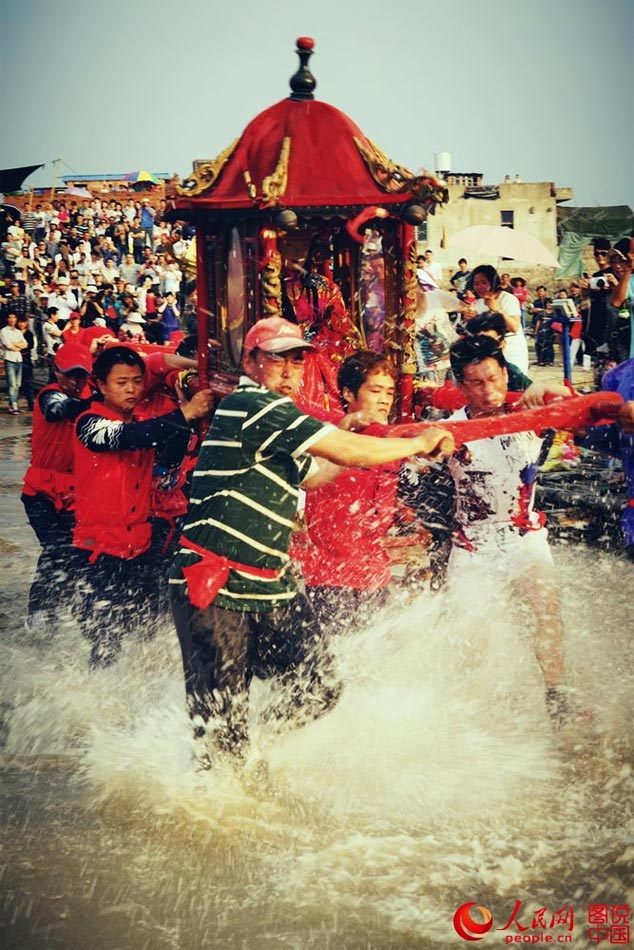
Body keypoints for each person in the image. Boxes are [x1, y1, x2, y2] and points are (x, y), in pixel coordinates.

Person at [169, 316, 454, 770]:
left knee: (319, 686)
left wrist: (352, 435)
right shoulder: (252, 404)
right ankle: (217, 790)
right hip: (216, 584)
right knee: (221, 728)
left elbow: (318, 473)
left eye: (297, 362)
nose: (289, 372)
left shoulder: (277, 422)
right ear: (251, 363)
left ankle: (258, 755)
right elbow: (346, 452)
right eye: (277, 360)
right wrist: (417, 442)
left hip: (269, 583)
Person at [444, 335, 578, 727]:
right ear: (460, 385)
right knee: (473, 641)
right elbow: (411, 476)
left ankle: (558, 699)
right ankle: (472, 722)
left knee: (548, 614)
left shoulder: (532, 414)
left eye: (493, 378)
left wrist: (547, 386)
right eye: (476, 382)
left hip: (525, 537)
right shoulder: (447, 431)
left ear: (506, 373)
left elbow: (577, 404)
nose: (488, 390)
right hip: (472, 543)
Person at [72, 346, 213, 668]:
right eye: (121, 383)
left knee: (145, 627)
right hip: (99, 550)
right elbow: (128, 437)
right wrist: (187, 412)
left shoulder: (142, 422)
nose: (131, 389)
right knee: (104, 639)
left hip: (139, 546)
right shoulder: (88, 423)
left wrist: (188, 412)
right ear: (100, 384)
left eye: (137, 381)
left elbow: (166, 446)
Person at [294, 351, 406, 635]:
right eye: (375, 391)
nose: (384, 400)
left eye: (389, 392)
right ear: (348, 393)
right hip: (331, 576)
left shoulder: (391, 442)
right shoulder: (327, 438)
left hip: (375, 574)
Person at [21, 342, 96, 630]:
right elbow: (57, 410)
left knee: (76, 553)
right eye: (69, 374)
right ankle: (39, 613)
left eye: (81, 375)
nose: (75, 381)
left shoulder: (91, 396)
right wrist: (99, 401)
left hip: (75, 495)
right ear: (56, 371)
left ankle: (59, 608)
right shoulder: (48, 395)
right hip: (40, 493)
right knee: (57, 550)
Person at [464, 264, 529, 374]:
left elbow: (514, 327)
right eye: (476, 284)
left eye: (484, 282)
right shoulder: (478, 304)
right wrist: (468, 320)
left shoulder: (508, 299)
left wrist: (497, 309)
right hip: (489, 354)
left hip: (511, 351)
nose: (479, 287)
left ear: (493, 281)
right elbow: (473, 332)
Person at [583, 238, 616, 359]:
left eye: (603, 253)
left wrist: (613, 284)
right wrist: (586, 291)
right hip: (597, 317)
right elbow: (588, 301)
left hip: (611, 317)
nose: (600, 256)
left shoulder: (615, 272)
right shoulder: (595, 276)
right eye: (596, 254)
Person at [1, 312, 27, 413]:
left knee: (18, 384)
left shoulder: (18, 332)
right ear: (7, 319)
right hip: (9, 359)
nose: (12, 320)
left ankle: (12, 404)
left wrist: (15, 344)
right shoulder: (3, 331)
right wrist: (17, 346)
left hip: (18, 359)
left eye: (14, 317)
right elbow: (8, 345)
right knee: (12, 384)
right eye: (10, 317)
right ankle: (14, 406)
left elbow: (25, 344)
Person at [16, 315, 35, 411]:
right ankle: (14, 404)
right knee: (16, 383)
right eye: (20, 322)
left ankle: (31, 403)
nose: (22, 324)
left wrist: (19, 346)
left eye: (23, 322)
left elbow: (30, 345)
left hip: (26, 359)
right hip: (15, 358)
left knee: (28, 382)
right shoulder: (14, 332)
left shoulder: (29, 334)